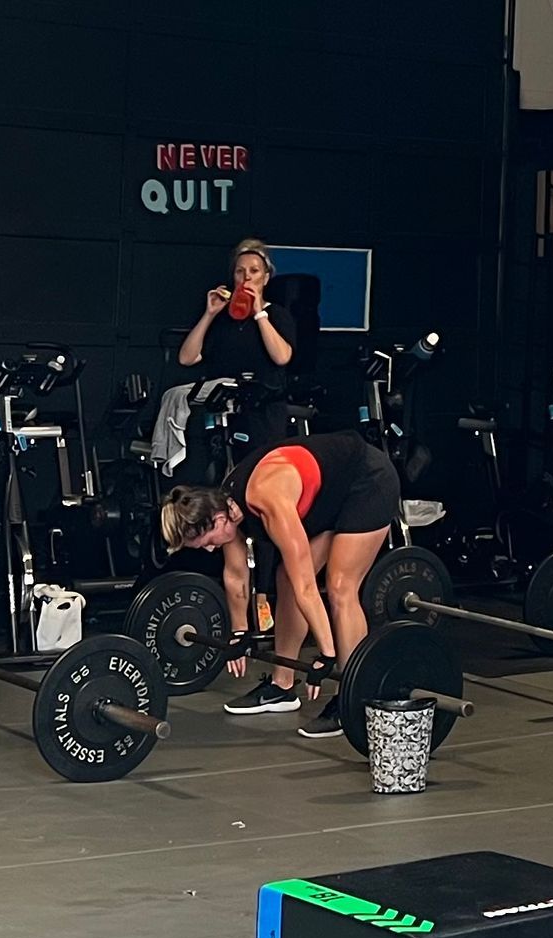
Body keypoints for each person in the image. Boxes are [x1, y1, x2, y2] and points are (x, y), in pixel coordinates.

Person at [158, 430, 401, 738]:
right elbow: (236, 577)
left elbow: (307, 588)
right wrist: (238, 634)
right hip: (328, 494)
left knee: (340, 587)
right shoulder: (227, 506)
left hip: (367, 483)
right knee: (284, 577)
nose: (209, 549)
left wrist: (326, 654)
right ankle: (282, 686)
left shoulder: (267, 499)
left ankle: (353, 697)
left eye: (207, 542)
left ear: (218, 521)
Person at [176, 238, 298, 458]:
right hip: (225, 411)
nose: (247, 277)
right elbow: (187, 358)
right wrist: (210, 314)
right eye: (240, 272)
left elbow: (282, 357)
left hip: (264, 413)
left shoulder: (277, 314)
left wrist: (259, 312)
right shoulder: (224, 320)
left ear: (266, 277)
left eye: (254, 271)